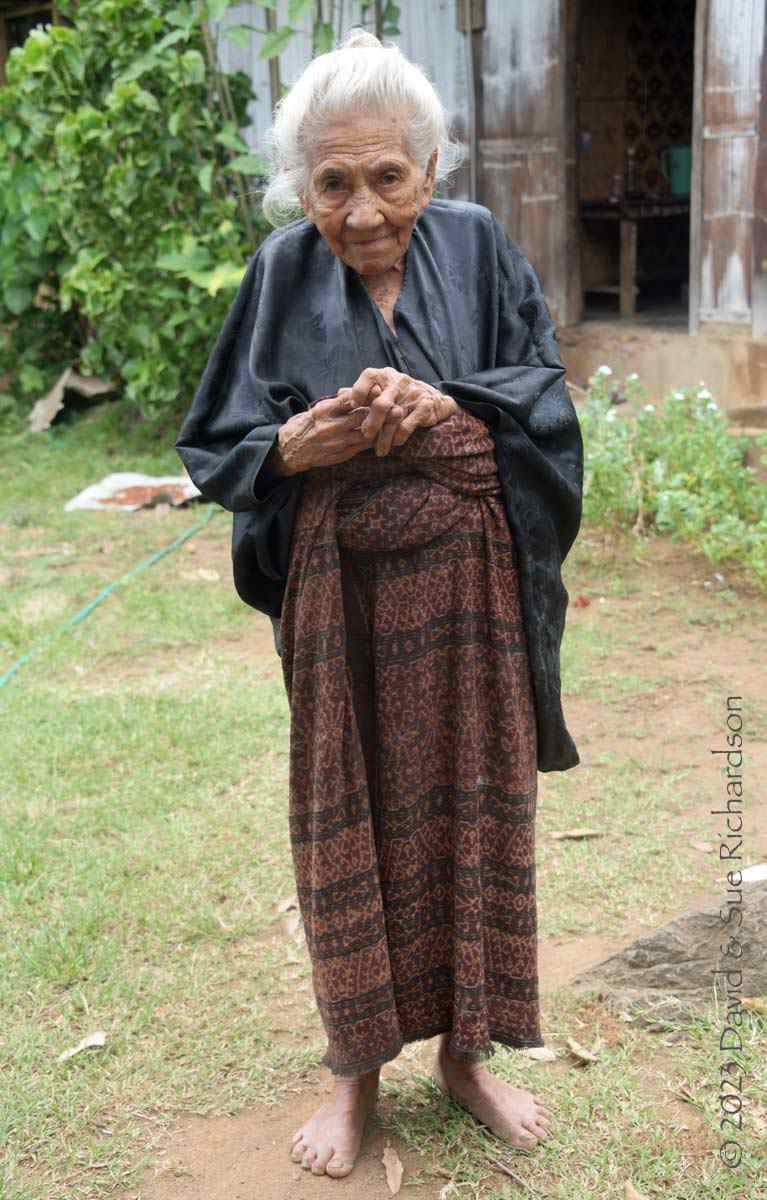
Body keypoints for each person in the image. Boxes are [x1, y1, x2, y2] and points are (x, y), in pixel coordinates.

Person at [175, 27, 583, 1181]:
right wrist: (293, 448)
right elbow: (217, 444)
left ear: (429, 170)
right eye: (331, 184)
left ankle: (464, 1057)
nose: (360, 212)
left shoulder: (479, 247)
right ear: (300, 186)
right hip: (337, 601)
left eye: (386, 179)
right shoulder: (277, 274)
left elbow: (540, 397)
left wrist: (443, 403)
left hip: (468, 598)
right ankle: (353, 1076)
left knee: (473, 807)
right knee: (344, 818)